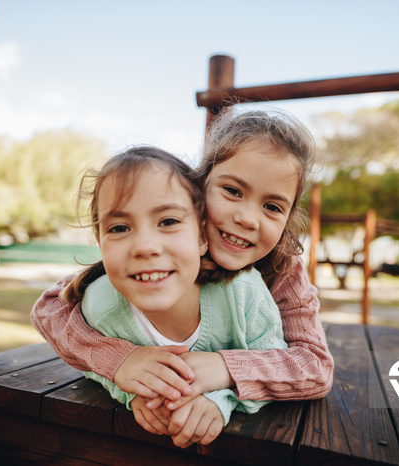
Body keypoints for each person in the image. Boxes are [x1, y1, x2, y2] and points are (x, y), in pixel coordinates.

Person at [31, 108, 334, 444]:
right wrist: (122, 362)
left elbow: (314, 366)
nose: (248, 218)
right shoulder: (158, 250)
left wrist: (224, 371)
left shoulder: (283, 270)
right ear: (199, 190)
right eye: (233, 191)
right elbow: (51, 307)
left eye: (273, 207)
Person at [60, 145, 288, 448]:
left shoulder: (243, 293)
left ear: (202, 237)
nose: (144, 246)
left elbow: (276, 363)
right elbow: (88, 364)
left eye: (168, 222)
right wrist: (130, 389)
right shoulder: (100, 306)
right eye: (119, 227)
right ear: (100, 243)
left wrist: (222, 398)